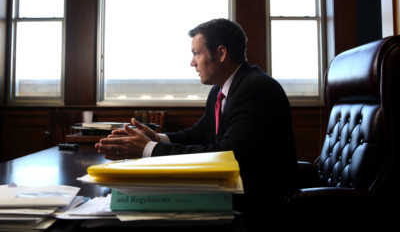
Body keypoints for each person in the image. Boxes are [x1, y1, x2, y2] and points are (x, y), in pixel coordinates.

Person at [95, 18, 298, 223]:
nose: (192, 62)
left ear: (220, 53)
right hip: (231, 195)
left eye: (196, 53)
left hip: (258, 209)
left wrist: (148, 150)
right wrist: (158, 138)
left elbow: (230, 156)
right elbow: (200, 134)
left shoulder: (256, 89)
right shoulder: (219, 91)